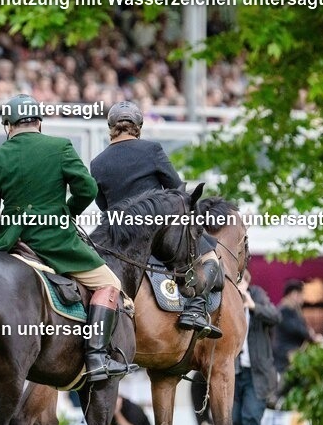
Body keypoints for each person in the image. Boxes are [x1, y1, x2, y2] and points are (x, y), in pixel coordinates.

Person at [0, 94, 135, 382]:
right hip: (57, 243)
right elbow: (87, 189)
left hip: (13, 245)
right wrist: (66, 215)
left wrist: (5, 233)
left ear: (8, 126)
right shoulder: (59, 147)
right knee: (111, 284)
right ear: (38, 122)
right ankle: (97, 356)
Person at [90, 101, 224, 339]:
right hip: (159, 233)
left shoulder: (97, 162)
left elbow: (103, 206)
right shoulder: (152, 150)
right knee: (210, 256)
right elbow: (178, 190)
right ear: (138, 127)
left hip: (118, 239)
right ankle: (195, 309)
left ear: (111, 127)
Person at [232, 269, 281, 425]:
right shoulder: (227, 303)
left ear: (248, 282)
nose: (238, 284)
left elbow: (275, 316)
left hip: (257, 375)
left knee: (251, 418)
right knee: (232, 421)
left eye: (241, 280)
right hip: (232, 374)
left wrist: (252, 305)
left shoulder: (258, 295)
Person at [273, 279, 319, 376]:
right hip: (285, 359)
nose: (303, 298)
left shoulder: (293, 310)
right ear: (294, 294)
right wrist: (311, 335)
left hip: (292, 356)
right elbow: (298, 330)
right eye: (302, 294)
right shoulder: (284, 311)